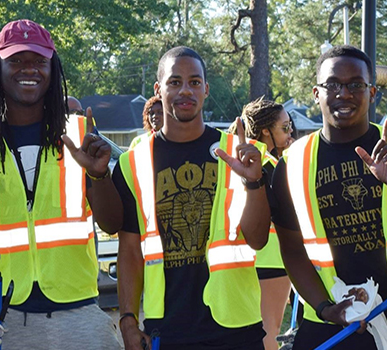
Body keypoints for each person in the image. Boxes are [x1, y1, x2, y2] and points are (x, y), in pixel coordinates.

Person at [270, 45, 387, 350]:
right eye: (333, 85)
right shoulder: (292, 164)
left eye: (356, 84)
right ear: (316, 93)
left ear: (372, 93)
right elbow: (292, 250)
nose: (344, 93)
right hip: (336, 320)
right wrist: (323, 308)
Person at [0, 19, 122, 349]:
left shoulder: (81, 133)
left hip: (79, 318)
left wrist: (99, 175)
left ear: (52, 69)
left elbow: (112, 223)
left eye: (38, 61)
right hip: (2, 321)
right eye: (15, 60)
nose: (28, 69)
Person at [115, 46, 272, 350]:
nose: (185, 90)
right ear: (158, 89)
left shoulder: (241, 154)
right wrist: (128, 319)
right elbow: (131, 250)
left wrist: (254, 183)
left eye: (194, 82)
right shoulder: (133, 163)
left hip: (236, 326)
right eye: (175, 82)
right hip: (168, 328)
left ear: (206, 89)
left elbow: (257, 239)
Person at [228, 97, 294, 350]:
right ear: (266, 130)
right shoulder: (269, 165)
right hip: (271, 259)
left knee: (252, 330)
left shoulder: (242, 160)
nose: (291, 132)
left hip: (243, 258)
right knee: (269, 332)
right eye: (285, 127)